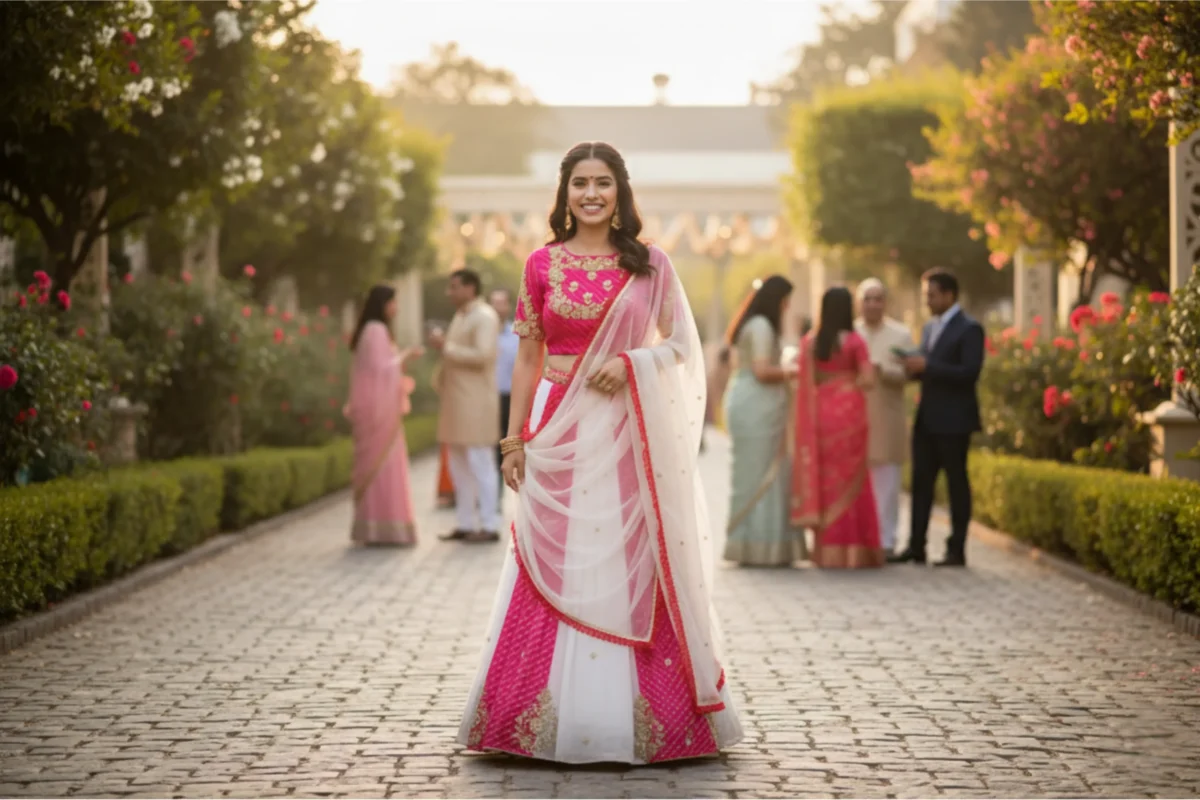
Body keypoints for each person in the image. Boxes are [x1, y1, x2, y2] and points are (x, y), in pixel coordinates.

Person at [456, 142, 743, 765]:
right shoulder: (541, 263)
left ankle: (643, 717)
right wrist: (513, 441)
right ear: (564, 193)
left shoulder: (650, 265)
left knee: (628, 551)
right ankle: (534, 714)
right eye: (580, 182)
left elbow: (681, 346)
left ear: (620, 191)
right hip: (556, 424)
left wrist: (631, 360)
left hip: (625, 429)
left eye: (603, 183)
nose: (591, 193)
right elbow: (529, 359)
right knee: (551, 550)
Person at [891, 268, 985, 568]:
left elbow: (969, 372)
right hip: (927, 420)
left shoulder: (970, 329)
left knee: (956, 485)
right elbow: (930, 369)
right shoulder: (930, 328)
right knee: (921, 484)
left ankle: (956, 549)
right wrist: (912, 367)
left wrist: (928, 366)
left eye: (931, 296)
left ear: (948, 295)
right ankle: (915, 546)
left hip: (955, 422)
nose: (927, 302)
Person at [790, 286, 883, 569]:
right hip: (851, 417)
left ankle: (825, 552)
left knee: (826, 480)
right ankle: (855, 553)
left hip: (820, 416)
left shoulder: (811, 341)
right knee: (853, 481)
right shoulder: (855, 341)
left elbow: (807, 381)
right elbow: (867, 381)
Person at [721, 275, 806, 567]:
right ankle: (759, 546)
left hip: (751, 400)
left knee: (762, 471)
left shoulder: (754, 323)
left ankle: (758, 544)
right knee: (760, 473)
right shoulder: (761, 326)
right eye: (786, 300)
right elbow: (761, 371)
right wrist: (793, 371)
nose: (787, 307)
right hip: (757, 404)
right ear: (778, 300)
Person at [344, 285, 422, 546]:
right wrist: (406, 356)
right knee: (385, 463)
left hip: (377, 407)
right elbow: (381, 371)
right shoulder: (375, 330)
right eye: (393, 302)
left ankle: (375, 527)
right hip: (379, 412)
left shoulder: (371, 330)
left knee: (384, 464)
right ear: (383, 304)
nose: (396, 308)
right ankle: (383, 528)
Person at [429, 270, 502, 543]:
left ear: (471, 288)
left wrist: (445, 346)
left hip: (476, 403)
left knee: (481, 463)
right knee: (459, 465)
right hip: (457, 401)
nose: (450, 293)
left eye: (455, 287)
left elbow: (483, 356)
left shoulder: (484, 316)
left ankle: (490, 525)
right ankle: (466, 522)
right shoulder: (461, 316)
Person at [854, 278, 916, 555]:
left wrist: (882, 371)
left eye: (878, 298)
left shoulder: (900, 335)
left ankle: (886, 542)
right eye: (867, 298)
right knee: (857, 484)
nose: (872, 304)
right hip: (854, 418)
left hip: (888, 416)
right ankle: (861, 540)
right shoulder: (850, 333)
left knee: (888, 483)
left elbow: (910, 374)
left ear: (886, 303)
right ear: (859, 303)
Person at [491, 288, 519, 500]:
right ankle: (491, 495)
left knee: (504, 444)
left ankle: (503, 491)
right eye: (494, 303)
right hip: (486, 398)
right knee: (487, 447)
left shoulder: (515, 335)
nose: (497, 308)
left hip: (508, 397)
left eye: (501, 303)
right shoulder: (484, 335)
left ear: (508, 306)